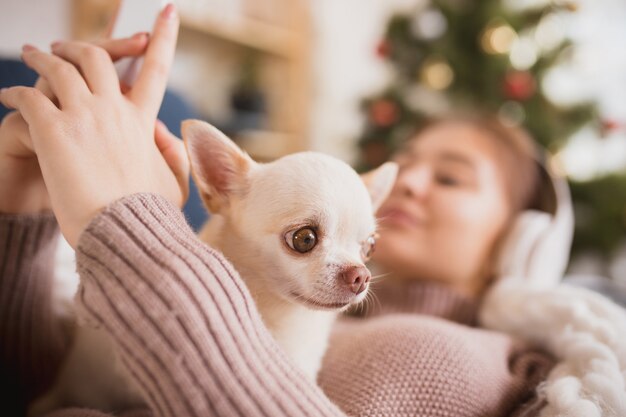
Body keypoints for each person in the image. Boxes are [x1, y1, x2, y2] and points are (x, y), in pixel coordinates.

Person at [1, 4, 624, 417]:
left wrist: (138, 237)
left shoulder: (469, 357)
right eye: (403, 164)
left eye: (452, 177)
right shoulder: (301, 301)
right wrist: (19, 212)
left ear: (519, 239)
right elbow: (36, 388)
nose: (408, 184)